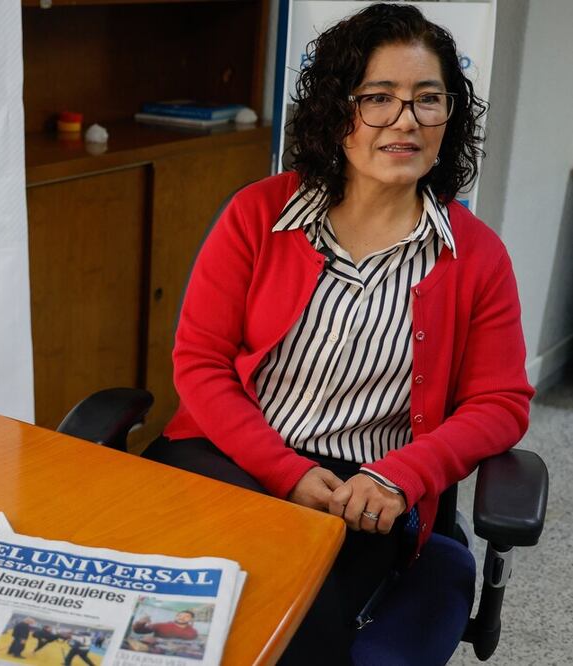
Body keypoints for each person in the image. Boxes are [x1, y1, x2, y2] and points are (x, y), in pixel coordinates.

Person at [141, 4, 533, 664]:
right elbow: (200, 363)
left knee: (295, 626)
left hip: (361, 491)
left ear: (447, 118)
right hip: (227, 457)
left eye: (426, 100)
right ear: (336, 110)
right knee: (166, 614)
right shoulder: (257, 215)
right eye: (377, 98)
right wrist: (285, 473)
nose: (404, 120)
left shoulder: (476, 256)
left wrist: (399, 477)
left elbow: (499, 404)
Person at [130, 611, 199, 640]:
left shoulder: (193, 631)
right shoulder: (161, 625)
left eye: (186, 616)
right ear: (176, 616)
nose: (182, 617)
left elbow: (192, 640)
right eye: (180, 615)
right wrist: (141, 622)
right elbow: (138, 631)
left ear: (191, 619)